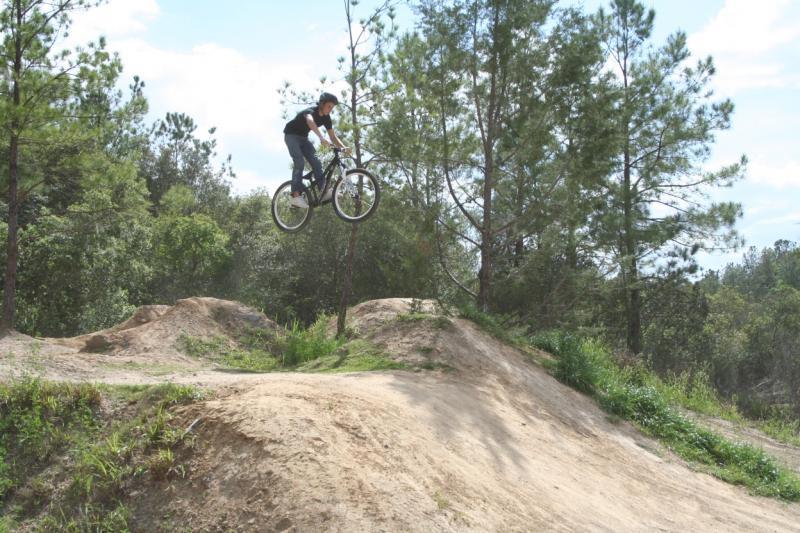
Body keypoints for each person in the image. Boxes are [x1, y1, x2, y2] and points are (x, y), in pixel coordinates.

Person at [283, 92, 348, 208]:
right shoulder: (310, 112)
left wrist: (343, 147)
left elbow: (333, 136)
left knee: (317, 162)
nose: (330, 109)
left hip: (303, 139)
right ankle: (295, 196)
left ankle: (323, 192)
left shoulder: (326, 118)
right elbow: (310, 121)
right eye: (329, 106)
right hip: (291, 136)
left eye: (332, 108)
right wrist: (321, 138)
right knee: (299, 162)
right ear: (322, 104)